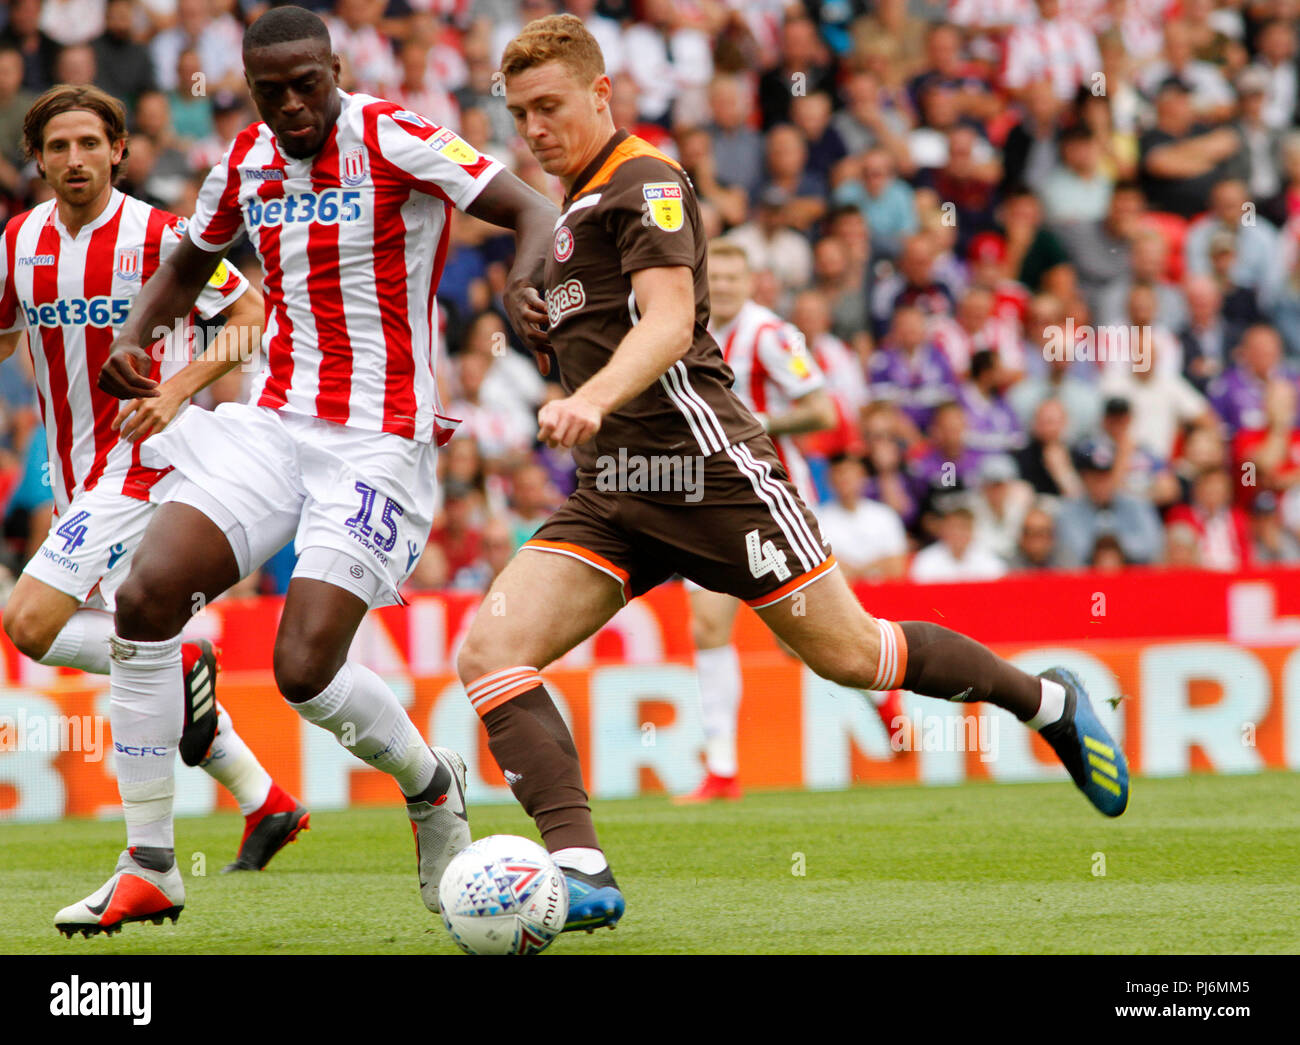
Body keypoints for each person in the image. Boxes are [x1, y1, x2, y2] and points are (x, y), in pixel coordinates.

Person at [463, 13, 1131, 936]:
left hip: (711, 473)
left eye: (550, 107)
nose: (534, 129)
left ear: (602, 93)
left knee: (857, 656)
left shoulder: (646, 180)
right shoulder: (571, 214)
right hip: (613, 489)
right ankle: (581, 868)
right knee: (491, 654)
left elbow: (666, 321)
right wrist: (552, 343)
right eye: (519, 112)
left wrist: (593, 394)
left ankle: (1049, 702)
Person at [78, 6, 558, 937]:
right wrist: (135, 336)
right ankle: (148, 864)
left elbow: (530, 205)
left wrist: (521, 280)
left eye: (308, 84)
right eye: (272, 90)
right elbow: (190, 261)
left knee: (302, 667)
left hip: (380, 438)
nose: (293, 105)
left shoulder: (395, 134)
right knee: (144, 600)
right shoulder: (247, 160)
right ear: (249, 88)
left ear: (336, 69)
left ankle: (431, 782)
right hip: (273, 424)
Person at [0, 85, 308, 929]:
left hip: (144, 468)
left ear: (119, 149)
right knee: (135, 651)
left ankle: (155, 850)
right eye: (57, 146)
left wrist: (176, 390)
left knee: (28, 621)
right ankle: (265, 797)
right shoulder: (18, 243)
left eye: (89, 144)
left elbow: (251, 316)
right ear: (38, 159)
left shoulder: (160, 236)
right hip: (74, 477)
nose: (74, 160)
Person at [676, 240, 837, 804]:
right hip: (706, 502)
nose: (720, 286)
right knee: (707, 627)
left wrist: (758, 422)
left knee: (808, 641)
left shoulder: (771, 336)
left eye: (731, 277)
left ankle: (881, 692)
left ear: (751, 282)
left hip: (772, 501)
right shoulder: (682, 325)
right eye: (712, 276)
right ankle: (722, 768)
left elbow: (823, 411)